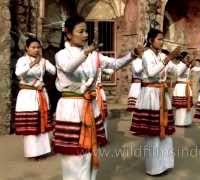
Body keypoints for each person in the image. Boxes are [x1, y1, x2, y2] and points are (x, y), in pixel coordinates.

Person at [53, 16, 143, 180]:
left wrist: (133, 54)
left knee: (89, 150)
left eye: (86, 31)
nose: (85, 35)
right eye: (81, 31)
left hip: (90, 105)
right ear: (68, 34)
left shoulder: (95, 56)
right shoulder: (61, 55)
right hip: (70, 108)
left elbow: (116, 64)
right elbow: (68, 68)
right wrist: (86, 53)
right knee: (73, 154)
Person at [130, 28, 183, 176]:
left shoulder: (161, 55)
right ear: (151, 40)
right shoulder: (146, 54)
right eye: (159, 39)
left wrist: (185, 62)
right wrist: (168, 58)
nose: (161, 41)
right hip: (150, 95)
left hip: (162, 95)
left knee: (164, 130)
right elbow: (152, 72)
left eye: (162, 39)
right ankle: (153, 167)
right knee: (153, 133)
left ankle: (165, 164)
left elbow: (176, 71)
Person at [15, 37, 56, 158]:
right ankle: (32, 152)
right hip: (27, 95)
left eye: (38, 47)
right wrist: (33, 63)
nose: (36, 50)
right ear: (26, 48)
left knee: (41, 120)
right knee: (31, 122)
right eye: (33, 47)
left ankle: (43, 150)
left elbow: (54, 71)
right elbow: (18, 73)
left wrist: (46, 63)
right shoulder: (22, 60)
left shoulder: (43, 61)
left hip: (41, 94)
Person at [172, 51, 198, 127]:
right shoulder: (179, 65)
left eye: (188, 57)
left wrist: (194, 58)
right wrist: (188, 64)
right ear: (182, 58)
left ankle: (186, 122)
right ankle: (179, 122)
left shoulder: (187, 66)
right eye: (187, 57)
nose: (187, 58)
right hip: (180, 86)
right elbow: (179, 73)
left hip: (186, 86)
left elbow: (196, 67)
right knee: (180, 105)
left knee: (186, 104)